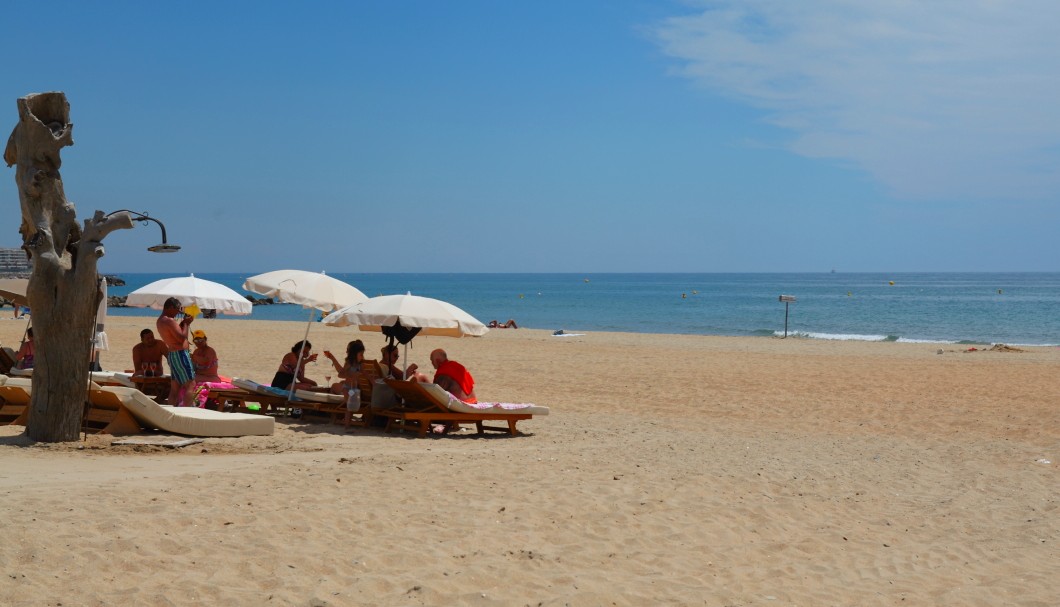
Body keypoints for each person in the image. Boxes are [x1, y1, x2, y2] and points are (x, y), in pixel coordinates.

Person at [156, 297, 196, 407]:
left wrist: (183, 323)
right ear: (170, 307)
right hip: (180, 354)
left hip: (173, 354)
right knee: (190, 384)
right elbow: (181, 338)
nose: (178, 312)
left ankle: (172, 410)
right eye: (177, 309)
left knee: (175, 386)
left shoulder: (161, 320)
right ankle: (189, 411)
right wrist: (187, 324)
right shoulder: (169, 320)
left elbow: (176, 335)